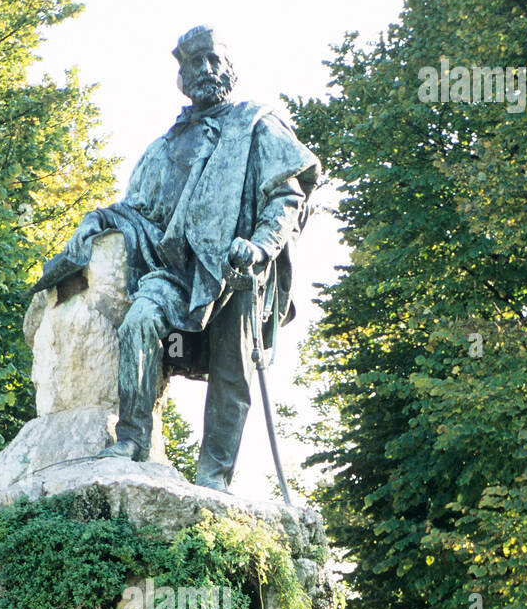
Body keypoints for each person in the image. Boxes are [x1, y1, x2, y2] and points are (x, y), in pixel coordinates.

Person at [34, 25, 319, 491]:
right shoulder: (165, 146)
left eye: (214, 60)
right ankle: (131, 439)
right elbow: (137, 210)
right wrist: (96, 221)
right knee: (139, 322)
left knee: (232, 368)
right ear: (182, 78)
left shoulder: (258, 124)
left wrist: (261, 245)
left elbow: (287, 197)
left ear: (230, 70)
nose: (206, 70)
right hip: (177, 271)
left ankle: (213, 479)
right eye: (195, 63)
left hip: (238, 269)